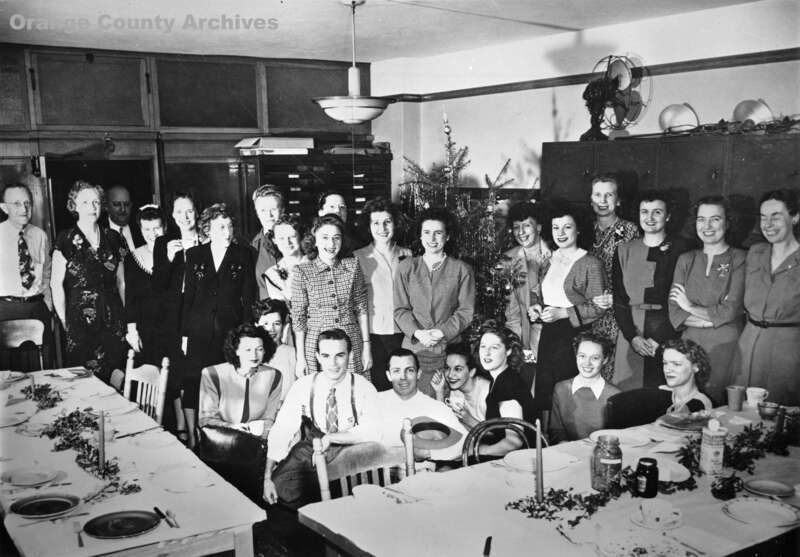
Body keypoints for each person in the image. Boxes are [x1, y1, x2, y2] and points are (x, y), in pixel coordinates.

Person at [263, 329, 379, 510]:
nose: (333, 363)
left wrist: (332, 438)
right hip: (314, 442)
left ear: (350, 354)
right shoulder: (304, 385)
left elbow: (372, 430)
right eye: (326, 355)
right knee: (280, 487)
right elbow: (283, 429)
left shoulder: (364, 388)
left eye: (340, 355)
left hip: (352, 444)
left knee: (351, 494)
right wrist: (268, 477)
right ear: (317, 356)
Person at [182, 203, 257, 448]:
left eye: (230, 226)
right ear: (208, 229)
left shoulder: (243, 255)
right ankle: (194, 436)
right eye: (220, 227)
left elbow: (249, 297)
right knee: (194, 382)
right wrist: (184, 334)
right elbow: (189, 297)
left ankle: (220, 439)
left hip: (229, 333)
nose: (227, 231)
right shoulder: (194, 255)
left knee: (225, 385)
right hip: (198, 331)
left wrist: (244, 337)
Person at [669, 196, 745, 403]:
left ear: (727, 223)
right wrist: (712, 317)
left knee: (719, 405)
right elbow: (675, 312)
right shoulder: (685, 259)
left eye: (715, 219)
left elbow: (731, 310)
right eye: (701, 219)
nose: (707, 226)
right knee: (687, 406)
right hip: (689, 344)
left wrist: (690, 306)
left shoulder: (739, 258)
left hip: (725, 344)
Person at [533, 202, 607, 413]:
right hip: (549, 335)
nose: (561, 233)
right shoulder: (549, 259)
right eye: (556, 227)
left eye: (567, 227)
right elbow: (543, 294)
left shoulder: (591, 263)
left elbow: (598, 307)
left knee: (566, 395)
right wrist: (537, 309)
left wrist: (564, 313)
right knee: (545, 392)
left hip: (574, 337)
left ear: (579, 228)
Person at [51, 180, 127, 384]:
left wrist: (125, 315)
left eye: (96, 202)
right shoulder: (65, 240)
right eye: (85, 202)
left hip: (113, 318)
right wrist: (65, 321)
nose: (92, 207)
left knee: (116, 377)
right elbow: (55, 285)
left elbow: (121, 282)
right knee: (83, 381)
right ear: (74, 205)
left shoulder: (113, 238)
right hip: (79, 322)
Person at [613, 192, 691, 390]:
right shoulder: (624, 250)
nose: (650, 218)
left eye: (657, 212)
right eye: (644, 212)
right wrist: (632, 337)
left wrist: (658, 339)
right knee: (628, 394)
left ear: (668, 216)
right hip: (631, 332)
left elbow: (683, 300)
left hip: (667, 330)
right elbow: (620, 299)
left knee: (662, 394)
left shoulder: (682, 249)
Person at [198, 324, 283, 503]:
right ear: (235, 351)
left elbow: (269, 419)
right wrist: (235, 428)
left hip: (255, 448)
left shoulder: (274, 376)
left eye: (259, 349)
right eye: (247, 349)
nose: (254, 355)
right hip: (220, 447)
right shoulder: (212, 374)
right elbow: (205, 421)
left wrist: (259, 432)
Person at [394, 207, 475, 397]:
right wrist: (418, 333)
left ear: (447, 237)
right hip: (414, 349)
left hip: (448, 349)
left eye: (438, 233)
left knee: (444, 405)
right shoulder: (406, 267)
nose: (432, 239)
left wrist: (441, 332)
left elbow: (465, 311)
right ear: (420, 236)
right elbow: (400, 309)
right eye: (427, 233)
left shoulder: (462, 269)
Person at [732, 189, 800, 406]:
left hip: (787, 351)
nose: (768, 224)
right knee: (738, 414)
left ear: (795, 217)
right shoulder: (755, 252)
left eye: (776, 216)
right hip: (747, 344)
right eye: (763, 217)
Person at [291, 214, 370, 378]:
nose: (331, 244)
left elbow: (362, 308)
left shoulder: (352, 266)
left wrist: (366, 347)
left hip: (350, 340)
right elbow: (298, 318)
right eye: (325, 238)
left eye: (336, 238)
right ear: (315, 240)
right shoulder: (302, 271)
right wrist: (300, 358)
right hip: (316, 344)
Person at [152, 191, 200, 445]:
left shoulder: (205, 241)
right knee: (175, 371)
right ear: (172, 215)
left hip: (198, 314)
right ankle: (181, 425)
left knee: (193, 371)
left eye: (189, 210)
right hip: (172, 317)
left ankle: (195, 430)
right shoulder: (163, 243)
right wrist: (169, 259)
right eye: (179, 211)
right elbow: (157, 286)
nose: (185, 216)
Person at [354, 198, 412, 391]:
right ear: (368, 226)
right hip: (373, 333)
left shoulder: (408, 255)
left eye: (387, 222)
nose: (382, 228)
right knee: (378, 385)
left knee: (402, 384)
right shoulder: (358, 257)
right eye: (376, 223)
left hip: (403, 332)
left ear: (395, 223)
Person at [373, 348, 468, 463]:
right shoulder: (375, 401)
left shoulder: (434, 406)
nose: (403, 377)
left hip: (421, 473)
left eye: (409, 370)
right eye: (396, 371)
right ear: (389, 375)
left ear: (418, 374)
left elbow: (465, 442)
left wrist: (428, 454)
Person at [587, 175, 639, 380]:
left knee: (610, 371)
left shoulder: (630, 230)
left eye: (608, 195)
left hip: (614, 313)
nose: (602, 200)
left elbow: (635, 275)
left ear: (618, 200)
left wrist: (615, 297)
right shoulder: (582, 229)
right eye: (597, 195)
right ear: (590, 199)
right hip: (586, 311)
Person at [0, 183, 52, 370]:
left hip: (37, 309)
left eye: (27, 203)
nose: (24, 209)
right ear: (4, 207)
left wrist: (48, 306)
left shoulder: (39, 235)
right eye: (16, 204)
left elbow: (46, 274)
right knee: (10, 377)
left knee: (43, 372)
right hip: (6, 311)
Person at [475, 321, 540, 458]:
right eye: (483, 346)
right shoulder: (499, 378)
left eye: (494, 347)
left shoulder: (508, 386)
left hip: (523, 460)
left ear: (508, 351)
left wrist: (480, 450)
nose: (486, 353)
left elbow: (514, 442)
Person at [549, 332, 621, 443]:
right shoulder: (561, 389)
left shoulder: (615, 395)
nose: (587, 363)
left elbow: (617, 439)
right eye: (582, 356)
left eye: (595, 358)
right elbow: (556, 431)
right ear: (576, 355)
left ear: (605, 360)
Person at [503, 201, 551, 363]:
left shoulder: (557, 255)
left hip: (554, 332)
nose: (521, 232)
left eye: (527, 225)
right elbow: (510, 309)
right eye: (516, 227)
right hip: (523, 333)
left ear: (538, 227)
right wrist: (515, 340)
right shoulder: (508, 260)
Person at [123, 205, 166, 366]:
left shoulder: (176, 253)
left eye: (157, 228)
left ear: (164, 227)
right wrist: (132, 331)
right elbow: (131, 298)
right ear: (140, 229)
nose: (152, 234)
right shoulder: (132, 259)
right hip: (145, 330)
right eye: (147, 229)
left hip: (171, 329)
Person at [431, 343, 490, 431]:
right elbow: (445, 423)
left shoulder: (488, 392)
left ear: (472, 372)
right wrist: (439, 392)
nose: (450, 375)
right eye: (447, 368)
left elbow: (499, 436)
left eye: (458, 369)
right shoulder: (456, 390)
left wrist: (469, 420)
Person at [254, 298, 297, 400]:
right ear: (256, 326)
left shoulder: (292, 353)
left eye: (277, 323)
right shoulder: (251, 354)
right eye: (266, 324)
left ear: (284, 326)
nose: (271, 329)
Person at [660, 338, 713, 413]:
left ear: (696, 367)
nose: (667, 369)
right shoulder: (660, 393)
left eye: (676, 364)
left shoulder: (703, 404)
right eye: (665, 363)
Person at [251, 185, 285, 299]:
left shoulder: (297, 241)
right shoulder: (252, 248)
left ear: (282, 210)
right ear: (257, 213)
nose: (269, 215)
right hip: (269, 313)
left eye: (273, 209)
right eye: (263, 210)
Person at [263, 215, 306, 303]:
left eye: (292, 237)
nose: (287, 242)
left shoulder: (316, 264)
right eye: (281, 238)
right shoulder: (272, 273)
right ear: (274, 240)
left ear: (300, 236)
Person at [100, 185, 144, 250]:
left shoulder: (142, 229)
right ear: (106, 206)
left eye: (126, 204)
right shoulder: (100, 232)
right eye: (117, 204)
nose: (123, 209)